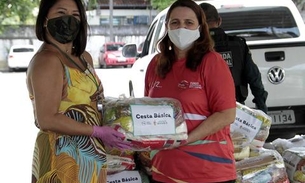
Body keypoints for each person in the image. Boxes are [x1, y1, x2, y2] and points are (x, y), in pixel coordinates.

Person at [26, 0, 131, 182]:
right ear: (44, 19)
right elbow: (47, 119)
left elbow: (92, 100)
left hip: (89, 154)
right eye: (61, 13)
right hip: (62, 154)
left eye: (75, 15)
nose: (68, 20)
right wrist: (97, 132)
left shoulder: (84, 57)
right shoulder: (47, 61)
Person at [144, 0, 237, 182]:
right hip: (165, 171)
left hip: (208, 172)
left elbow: (226, 114)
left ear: (200, 28)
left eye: (189, 23)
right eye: (175, 22)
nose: (181, 28)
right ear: (167, 26)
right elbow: (148, 112)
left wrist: (185, 139)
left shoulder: (212, 62)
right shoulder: (156, 64)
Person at [200, 2, 268, 113]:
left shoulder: (194, 48)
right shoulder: (238, 45)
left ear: (199, 23)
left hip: (205, 112)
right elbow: (254, 78)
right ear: (219, 20)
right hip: (236, 110)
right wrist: (262, 108)